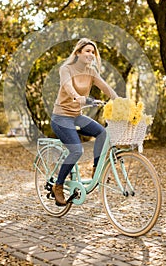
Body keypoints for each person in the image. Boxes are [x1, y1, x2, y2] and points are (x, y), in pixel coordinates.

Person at [51, 38, 118, 206]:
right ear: (78, 53)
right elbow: (67, 86)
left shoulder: (92, 72)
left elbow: (106, 88)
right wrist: (77, 97)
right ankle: (58, 186)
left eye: (93, 52)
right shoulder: (66, 69)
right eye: (87, 51)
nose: (91, 54)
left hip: (75, 116)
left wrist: (121, 100)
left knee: (102, 133)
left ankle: (97, 169)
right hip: (60, 117)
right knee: (76, 150)